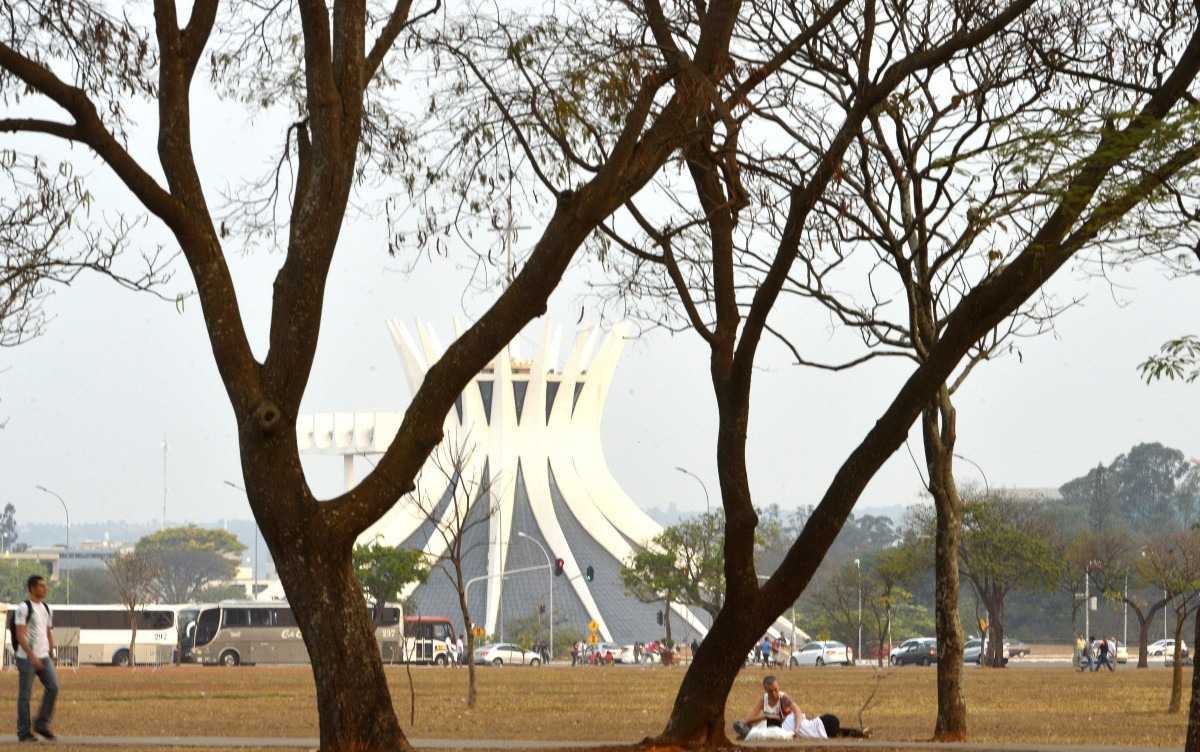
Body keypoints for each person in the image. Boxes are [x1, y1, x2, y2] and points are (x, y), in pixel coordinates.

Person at [731, 675, 869, 741]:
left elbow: (797, 712)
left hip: (786, 725)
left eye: (776, 689)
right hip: (776, 724)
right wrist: (765, 716)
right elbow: (748, 720)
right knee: (759, 729)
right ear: (765, 690)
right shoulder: (764, 700)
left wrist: (795, 730)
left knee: (763, 732)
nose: (774, 693)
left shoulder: (784, 698)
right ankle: (747, 734)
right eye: (771, 691)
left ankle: (747, 734)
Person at [14, 574, 57, 742]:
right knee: (25, 695)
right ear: (32, 588)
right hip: (26, 658)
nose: (44, 589)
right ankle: (24, 732)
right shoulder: (23, 608)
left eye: (45, 586)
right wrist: (31, 656)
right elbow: (19, 634)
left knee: (53, 687)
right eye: (41, 586)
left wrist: (51, 650)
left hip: (44, 656)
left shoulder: (46, 608)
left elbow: (47, 631)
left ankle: (41, 724)